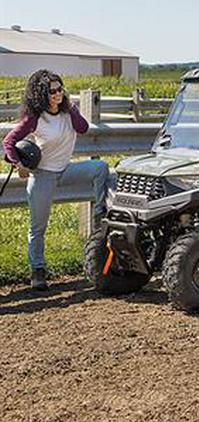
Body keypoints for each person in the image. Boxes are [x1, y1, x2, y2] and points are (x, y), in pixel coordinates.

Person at [2, 69, 110, 291]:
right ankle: (38, 271)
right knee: (38, 228)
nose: (58, 94)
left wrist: (71, 107)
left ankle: (101, 214)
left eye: (60, 88)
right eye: (52, 91)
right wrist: (18, 165)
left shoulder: (68, 112)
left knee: (101, 168)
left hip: (65, 170)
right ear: (41, 93)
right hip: (43, 176)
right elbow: (9, 142)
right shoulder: (34, 118)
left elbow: (84, 128)